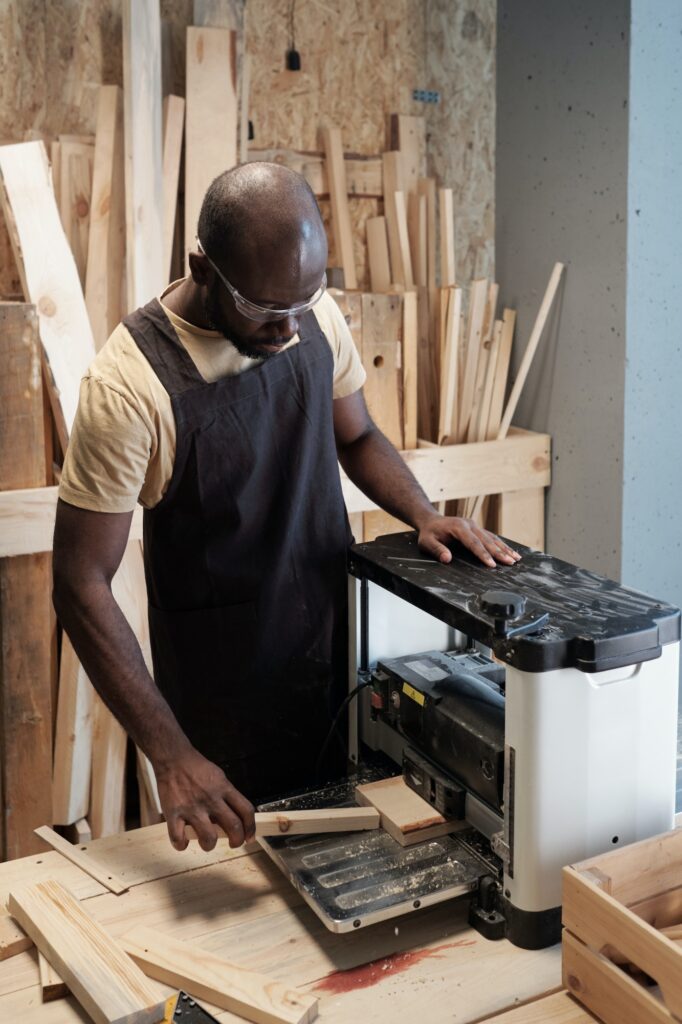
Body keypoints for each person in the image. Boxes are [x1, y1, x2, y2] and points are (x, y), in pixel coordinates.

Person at [53, 163, 520, 854]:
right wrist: (172, 754)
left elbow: (355, 435)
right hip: (224, 706)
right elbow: (80, 583)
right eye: (266, 311)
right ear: (202, 268)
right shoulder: (128, 388)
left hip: (335, 659)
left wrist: (422, 513)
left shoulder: (311, 315)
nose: (288, 328)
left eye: (302, 304)